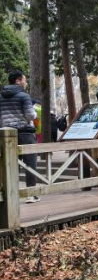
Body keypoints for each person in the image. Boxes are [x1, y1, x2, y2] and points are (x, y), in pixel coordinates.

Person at [0, 71, 40, 203]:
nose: (26, 82)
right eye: (24, 80)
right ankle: (31, 194)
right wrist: (35, 113)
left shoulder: (1, 96)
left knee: (11, 165)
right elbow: (30, 116)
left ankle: (12, 194)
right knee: (30, 164)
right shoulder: (23, 96)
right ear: (18, 81)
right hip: (25, 133)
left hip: (7, 136)